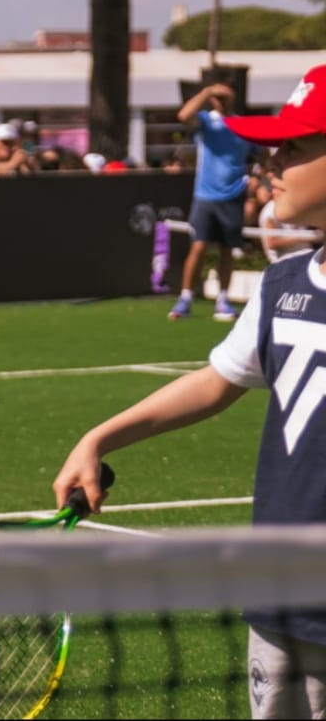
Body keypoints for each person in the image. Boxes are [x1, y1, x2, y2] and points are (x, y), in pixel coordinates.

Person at [52, 64, 326, 720]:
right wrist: (99, 438)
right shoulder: (284, 282)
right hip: (277, 594)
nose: (272, 157)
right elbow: (216, 382)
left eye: (295, 143)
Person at [170, 82, 253, 322]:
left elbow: (261, 151)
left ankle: (223, 300)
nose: (221, 99)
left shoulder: (241, 124)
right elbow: (184, 115)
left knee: (228, 249)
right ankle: (185, 298)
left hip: (234, 195)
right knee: (198, 247)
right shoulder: (206, 121)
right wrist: (207, 92)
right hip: (205, 196)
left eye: (224, 95)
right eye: (217, 97)